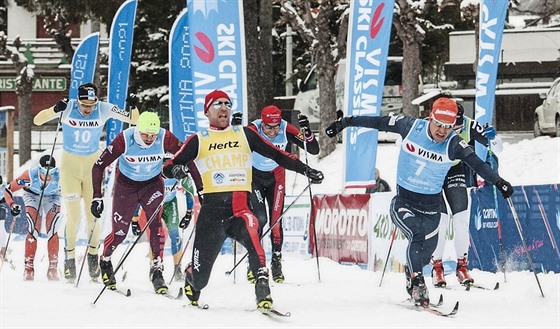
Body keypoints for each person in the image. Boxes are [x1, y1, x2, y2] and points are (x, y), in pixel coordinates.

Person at [325, 97, 513, 307]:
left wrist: (500, 182)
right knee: (417, 234)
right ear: (430, 118)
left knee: (425, 252)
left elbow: (478, 164)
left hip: (431, 207)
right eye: (439, 125)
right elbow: (377, 122)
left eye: (448, 127)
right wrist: (344, 123)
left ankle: (413, 272)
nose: (442, 131)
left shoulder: (454, 143)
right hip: (404, 202)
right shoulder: (410, 126)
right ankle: (418, 283)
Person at [162, 90, 324, 311]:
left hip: (239, 208)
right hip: (211, 215)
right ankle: (192, 276)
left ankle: (262, 286)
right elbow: (167, 167)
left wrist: (307, 170)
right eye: (217, 104)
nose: (223, 108)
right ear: (207, 111)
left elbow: (277, 155)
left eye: (227, 104)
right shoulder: (199, 140)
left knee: (253, 227)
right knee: (200, 280)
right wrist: (177, 169)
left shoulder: (244, 134)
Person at [33, 83, 139, 283]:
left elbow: (134, 119)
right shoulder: (69, 107)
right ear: (78, 101)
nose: (88, 110)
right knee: (73, 216)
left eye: (91, 105)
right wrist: (54, 109)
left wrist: (132, 105)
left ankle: (92, 257)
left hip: (93, 168)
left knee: (93, 217)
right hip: (70, 168)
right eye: (84, 105)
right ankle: (70, 259)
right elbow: (38, 121)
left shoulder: (104, 108)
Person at [91, 111, 183, 294]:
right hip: (126, 187)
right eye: (145, 134)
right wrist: (96, 196)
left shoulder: (165, 137)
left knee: (155, 226)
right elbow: (98, 165)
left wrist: (177, 165)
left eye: (152, 135)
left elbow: (185, 152)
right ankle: (106, 260)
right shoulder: (125, 139)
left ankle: (156, 270)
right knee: (119, 233)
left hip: (152, 185)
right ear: (137, 130)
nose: (149, 138)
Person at [233, 105, 319, 283]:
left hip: (276, 177)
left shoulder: (287, 128)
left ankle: (276, 261)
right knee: (259, 219)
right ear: (262, 123)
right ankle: (254, 261)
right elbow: (232, 145)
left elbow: (313, 149)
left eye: (275, 127)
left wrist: (307, 131)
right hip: (255, 176)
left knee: (276, 222)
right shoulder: (253, 129)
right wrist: (234, 128)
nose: (272, 132)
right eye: (268, 127)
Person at [431, 103, 500, 288]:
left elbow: (497, 148)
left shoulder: (470, 126)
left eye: (460, 125)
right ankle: (437, 267)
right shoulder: (432, 123)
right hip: (434, 174)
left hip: (455, 171)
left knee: (461, 219)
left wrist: (492, 138)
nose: (456, 129)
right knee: (442, 222)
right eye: (454, 125)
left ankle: (462, 266)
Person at [3, 155, 61, 281]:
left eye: (51, 172)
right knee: (34, 226)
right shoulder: (30, 175)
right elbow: (8, 190)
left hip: (53, 197)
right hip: (32, 195)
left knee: (52, 227)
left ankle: (53, 267)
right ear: (39, 169)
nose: (48, 176)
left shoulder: (60, 176)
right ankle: (28, 267)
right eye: (44, 172)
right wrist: (12, 205)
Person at [132, 174, 196, 281]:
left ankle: (177, 269)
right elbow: (139, 194)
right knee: (155, 235)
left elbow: (189, 191)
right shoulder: (154, 167)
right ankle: (154, 267)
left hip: (170, 203)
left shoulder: (176, 167)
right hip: (154, 203)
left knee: (175, 235)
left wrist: (189, 213)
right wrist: (134, 220)